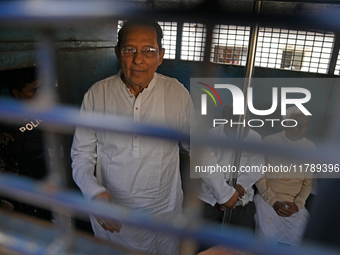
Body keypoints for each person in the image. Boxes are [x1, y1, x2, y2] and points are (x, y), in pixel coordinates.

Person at [71, 17, 237, 255]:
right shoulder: (98, 95)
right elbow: (81, 154)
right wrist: (93, 192)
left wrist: (223, 191)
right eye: (130, 50)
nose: (138, 60)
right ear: (118, 53)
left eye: (149, 51)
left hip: (163, 212)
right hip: (114, 215)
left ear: (161, 55)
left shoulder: (176, 93)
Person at [254, 106, 315, 246]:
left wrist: (298, 205)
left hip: (294, 204)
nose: (301, 129)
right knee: (266, 238)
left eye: (305, 125)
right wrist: (273, 201)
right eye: (297, 125)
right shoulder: (269, 142)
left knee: (301, 239)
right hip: (267, 200)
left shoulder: (310, 147)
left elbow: (307, 183)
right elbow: (259, 175)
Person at [200, 104, 263, 230]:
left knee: (239, 246)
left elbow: (256, 168)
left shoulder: (254, 138)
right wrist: (223, 193)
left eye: (248, 124)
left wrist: (233, 190)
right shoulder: (211, 136)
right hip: (210, 197)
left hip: (241, 196)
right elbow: (206, 167)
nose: (247, 129)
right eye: (242, 126)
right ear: (228, 124)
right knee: (202, 242)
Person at [0, 67, 52, 221]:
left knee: (47, 207)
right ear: (16, 93)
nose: (39, 94)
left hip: (44, 163)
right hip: (18, 170)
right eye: (33, 90)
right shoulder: (4, 107)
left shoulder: (45, 103)